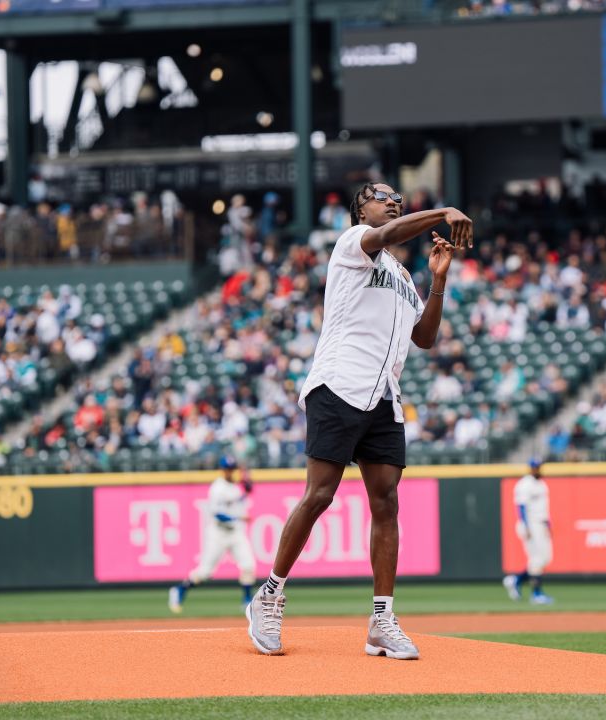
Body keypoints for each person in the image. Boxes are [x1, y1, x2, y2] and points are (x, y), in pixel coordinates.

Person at [244, 182, 472, 660]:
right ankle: (268, 595)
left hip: (385, 397)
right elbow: (389, 232)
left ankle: (381, 620)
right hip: (338, 386)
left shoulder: (402, 276)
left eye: (396, 198)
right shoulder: (351, 244)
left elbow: (425, 339)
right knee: (320, 495)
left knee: (386, 502)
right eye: (380, 196)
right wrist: (441, 212)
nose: (392, 201)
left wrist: (438, 280)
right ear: (359, 209)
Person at [169, 456, 257, 612]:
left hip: (235, 532)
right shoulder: (217, 488)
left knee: (248, 566)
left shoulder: (235, 487)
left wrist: (247, 485)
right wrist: (239, 517)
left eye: (232, 468)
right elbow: (217, 514)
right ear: (222, 469)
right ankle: (179, 590)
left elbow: (241, 497)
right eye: (227, 468)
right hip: (218, 533)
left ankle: (246, 601)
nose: (230, 471)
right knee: (205, 572)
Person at [502, 459, 554, 605]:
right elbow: (521, 507)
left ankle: (516, 580)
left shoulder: (541, 484)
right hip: (530, 524)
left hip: (541, 524)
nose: (537, 469)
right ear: (530, 468)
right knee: (536, 560)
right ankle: (536, 594)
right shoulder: (525, 484)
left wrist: (548, 524)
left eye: (539, 467)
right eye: (535, 467)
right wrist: (526, 526)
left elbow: (544, 508)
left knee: (545, 558)